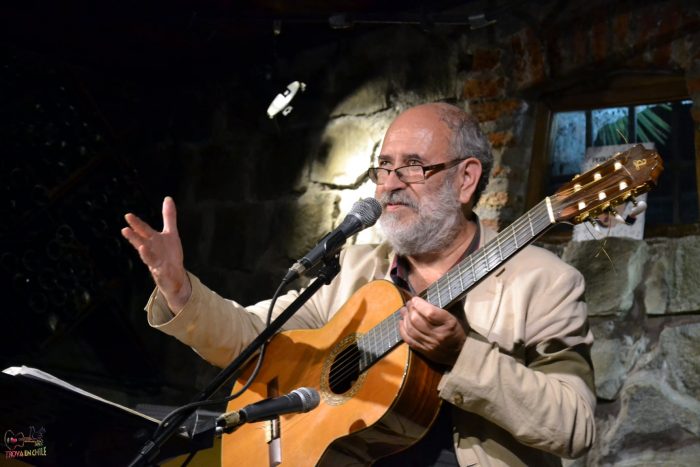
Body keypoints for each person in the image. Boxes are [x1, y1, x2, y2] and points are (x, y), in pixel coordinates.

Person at [122, 102, 596, 466]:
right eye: (383, 167)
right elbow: (253, 336)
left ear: (466, 179)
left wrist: (461, 355)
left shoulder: (544, 283)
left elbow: (574, 426)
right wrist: (180, 289)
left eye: (411, 166)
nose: (389, 184)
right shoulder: (356, 269)